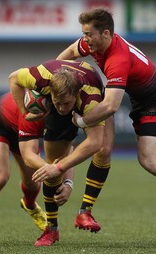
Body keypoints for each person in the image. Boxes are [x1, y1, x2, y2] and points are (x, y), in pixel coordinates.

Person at [34, 7, 156, 233]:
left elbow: (111, 106)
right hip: (143, 98)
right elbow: (69, 52)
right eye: (84, 34)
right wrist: (59, 80)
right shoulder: (93, 43)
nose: (85, 39)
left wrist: (81, 121)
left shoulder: (117, 59)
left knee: (148, 158)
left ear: (106, 34)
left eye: (89, 34)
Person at [9, 59, 114, 246]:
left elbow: (94, 143)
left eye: (66, 103)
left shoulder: (90, 99)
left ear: (75, 95)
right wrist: (24, 113)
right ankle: (52, 229)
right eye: (58, 103)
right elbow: (13, 79)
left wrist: (60, 169)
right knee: (51, 165)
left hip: (91, 93)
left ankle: (85, 212)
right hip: (60, 90)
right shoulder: (41, 78)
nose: (62, 108)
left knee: (104, 149)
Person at [0, 92, 74, 245]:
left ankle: (29, 204)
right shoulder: (35, 111)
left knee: (33, 182)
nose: (63, 108)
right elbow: (28, 156)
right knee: (0, 177)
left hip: (19, 128)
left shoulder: (67, 114)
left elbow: (67, 151)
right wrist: (53, 170)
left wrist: (68, 183)